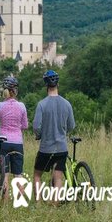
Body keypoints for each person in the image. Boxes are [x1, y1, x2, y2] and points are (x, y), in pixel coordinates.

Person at [33, 70, 75, 204]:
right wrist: (63, 132)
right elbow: (71, 126)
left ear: (46, 85)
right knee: (58, 178)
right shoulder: (67, 104)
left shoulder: (41, 104)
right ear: (58, 84)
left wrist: (39, 135)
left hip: (46, 148)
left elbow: (36, 127)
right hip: (61, 148)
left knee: (37, 176)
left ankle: (38, 204)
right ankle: (55, 206)